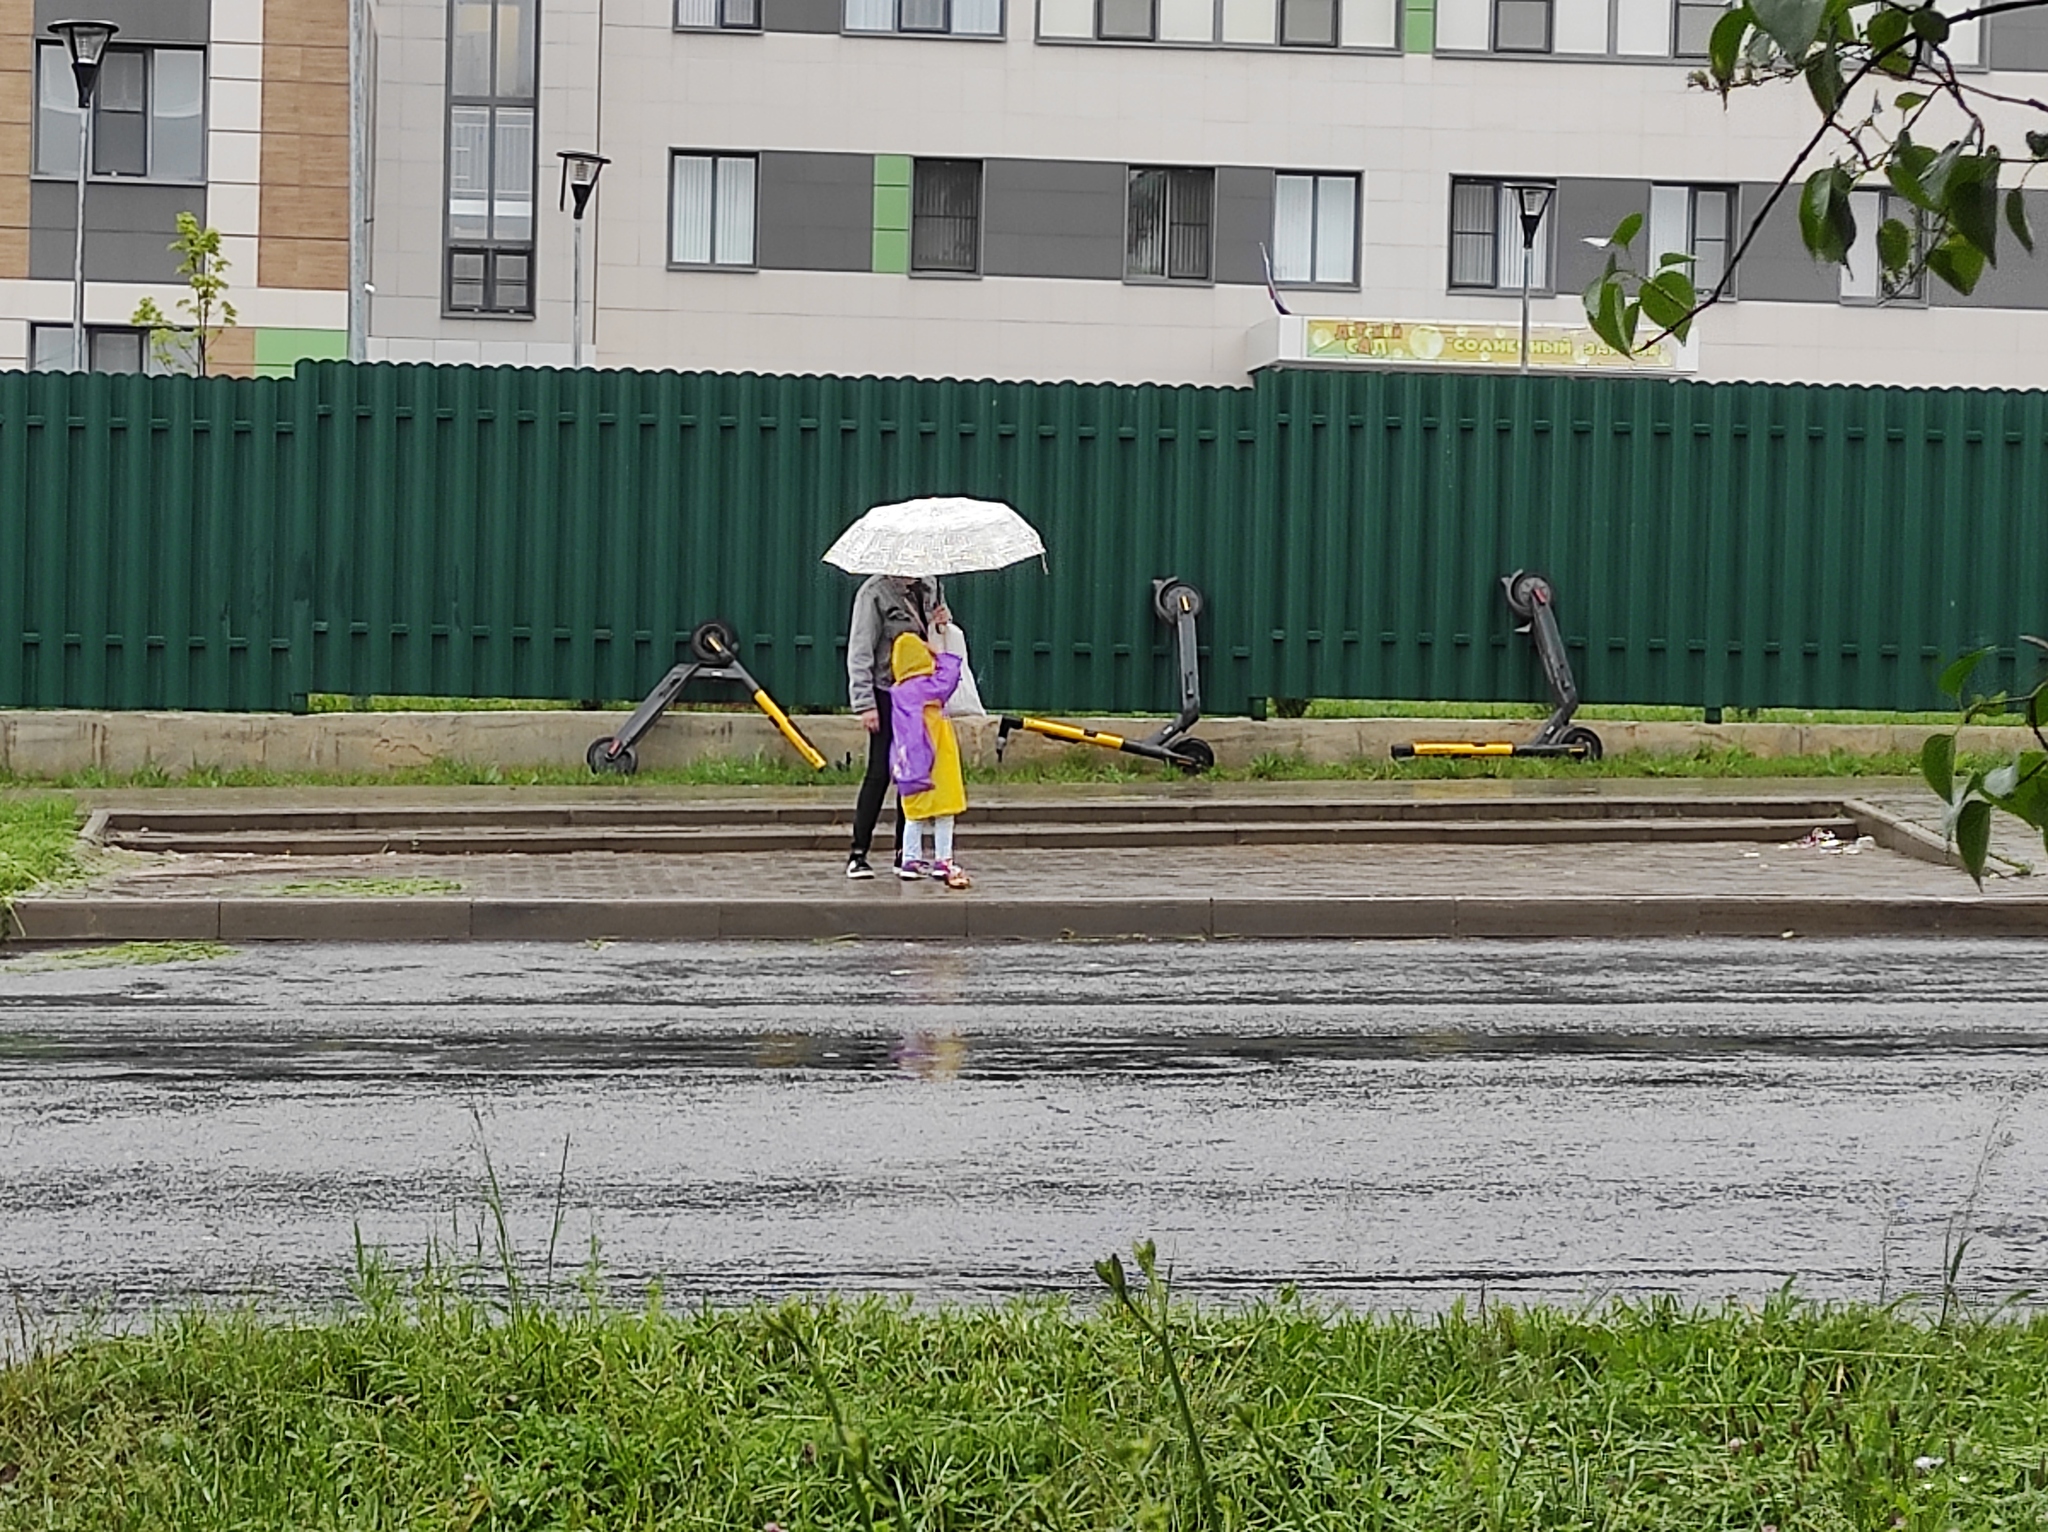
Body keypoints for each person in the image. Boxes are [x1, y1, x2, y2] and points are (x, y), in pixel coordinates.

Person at [844, 573, 948, 878]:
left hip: (919, 692)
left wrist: (941, 622)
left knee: (915, 769)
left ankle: (907, 852)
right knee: (880, 771)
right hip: (886, 690)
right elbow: (860, 648)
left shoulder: (930, 587)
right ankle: (858, 853)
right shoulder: (874, 593)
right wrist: (864, 702)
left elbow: (935, 641)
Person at [886, 631, 971, 889]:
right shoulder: (927, 688)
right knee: (944, 812)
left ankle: (910, 860)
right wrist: (938, 653)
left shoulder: (899, 691)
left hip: (909, 762)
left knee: (915, 814)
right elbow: (951, 676)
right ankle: (943, 860)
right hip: (936, 759)